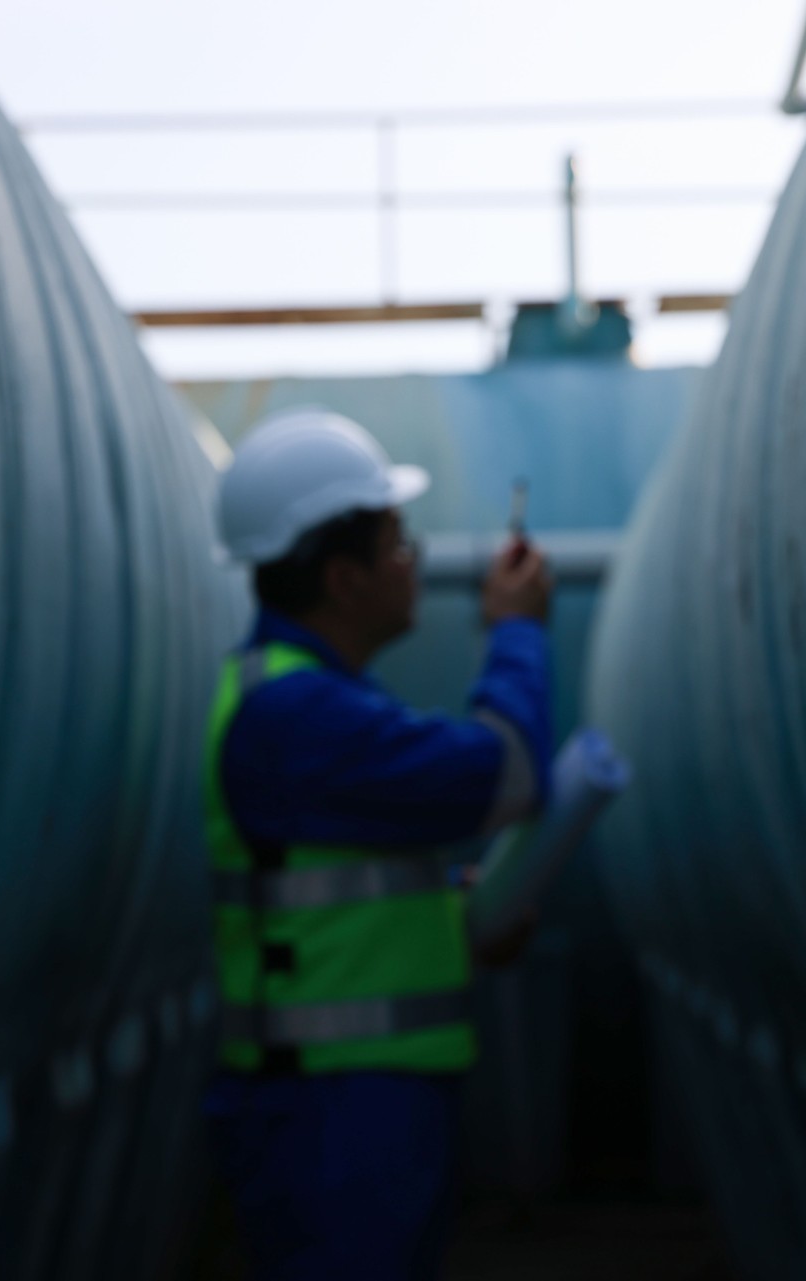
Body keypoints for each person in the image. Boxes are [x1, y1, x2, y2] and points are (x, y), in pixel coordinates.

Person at [203, 408, 555, 1281]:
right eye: (398, 542)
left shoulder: (308, 701)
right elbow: (507, 772)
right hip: (336, 1117)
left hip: (348, 1105)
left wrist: (459, 915)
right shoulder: (295, 716)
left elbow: (340, 892)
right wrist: (515, 630)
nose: (416, 559)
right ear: (343, 578)